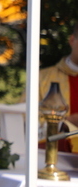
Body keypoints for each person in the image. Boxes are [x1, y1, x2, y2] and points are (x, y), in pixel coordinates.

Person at [35, 22, 78, 151]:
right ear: (72, 40)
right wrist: (64, 124)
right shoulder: (42, 78)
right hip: (55, 158)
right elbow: (24, 121)